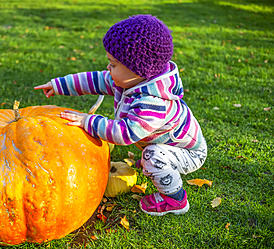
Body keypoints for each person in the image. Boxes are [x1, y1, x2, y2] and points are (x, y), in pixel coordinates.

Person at [34, 14, 207, 216]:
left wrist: (87, 121)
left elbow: (124, 134)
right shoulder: (131, 80)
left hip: (188, 152)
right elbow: (96, 80)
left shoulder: (153, 102)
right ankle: (159, 160)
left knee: (152, 156)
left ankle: (175, 200)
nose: (108, 68)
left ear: (139, 70)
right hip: (168, 143)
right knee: (151, 155)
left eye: (113, 64)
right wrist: (59, 85)